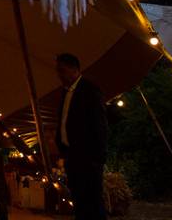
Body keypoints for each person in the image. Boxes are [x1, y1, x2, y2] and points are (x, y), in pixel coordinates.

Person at [55, 53, 107, 220]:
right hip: (72, 155)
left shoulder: (89, 90)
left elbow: (99, 126)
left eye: (62, 71)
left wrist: (96, 159)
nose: (59, 75)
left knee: (92, 201)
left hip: (88, 158)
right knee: (79, 201)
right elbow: (64, 120)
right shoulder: (66, 92)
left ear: (74, 70)